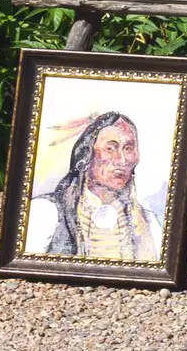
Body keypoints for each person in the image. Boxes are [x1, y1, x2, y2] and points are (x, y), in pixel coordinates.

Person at [24, 111, 162, 261]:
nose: (121, 160)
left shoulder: (149, 223)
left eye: (128, 148)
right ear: (86, 154)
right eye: (110, 148)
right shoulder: (46, 212)